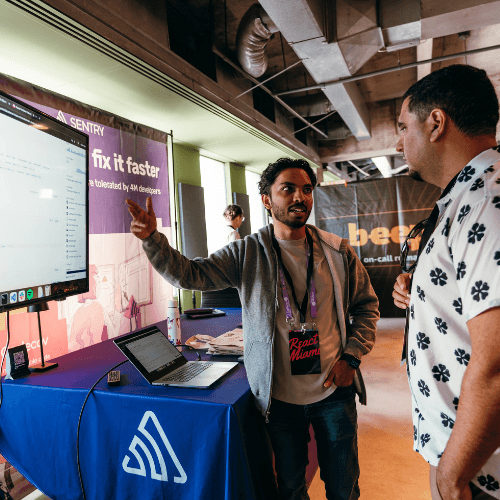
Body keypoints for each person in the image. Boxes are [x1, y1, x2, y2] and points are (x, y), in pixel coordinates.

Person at [126, 157, 379, 500]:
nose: (299, 198)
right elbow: (191, 275)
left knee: (343, 486)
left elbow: (367, 306)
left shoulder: (337, 251)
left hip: (333, 390)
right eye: (287, 189)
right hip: (280, 398)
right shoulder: (248, 253)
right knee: (290, 487)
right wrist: (154, 239)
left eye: (306, 189)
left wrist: (351, 359)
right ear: (266, 200)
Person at [392, 65, 500, 500]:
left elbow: (496, 367)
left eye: (403, 127)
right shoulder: (467, 197)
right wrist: (420, 289)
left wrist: (454, 477)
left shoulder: (486, 202)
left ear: (436, 123)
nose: (399, 142)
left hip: (478, 468)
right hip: (465, 452)